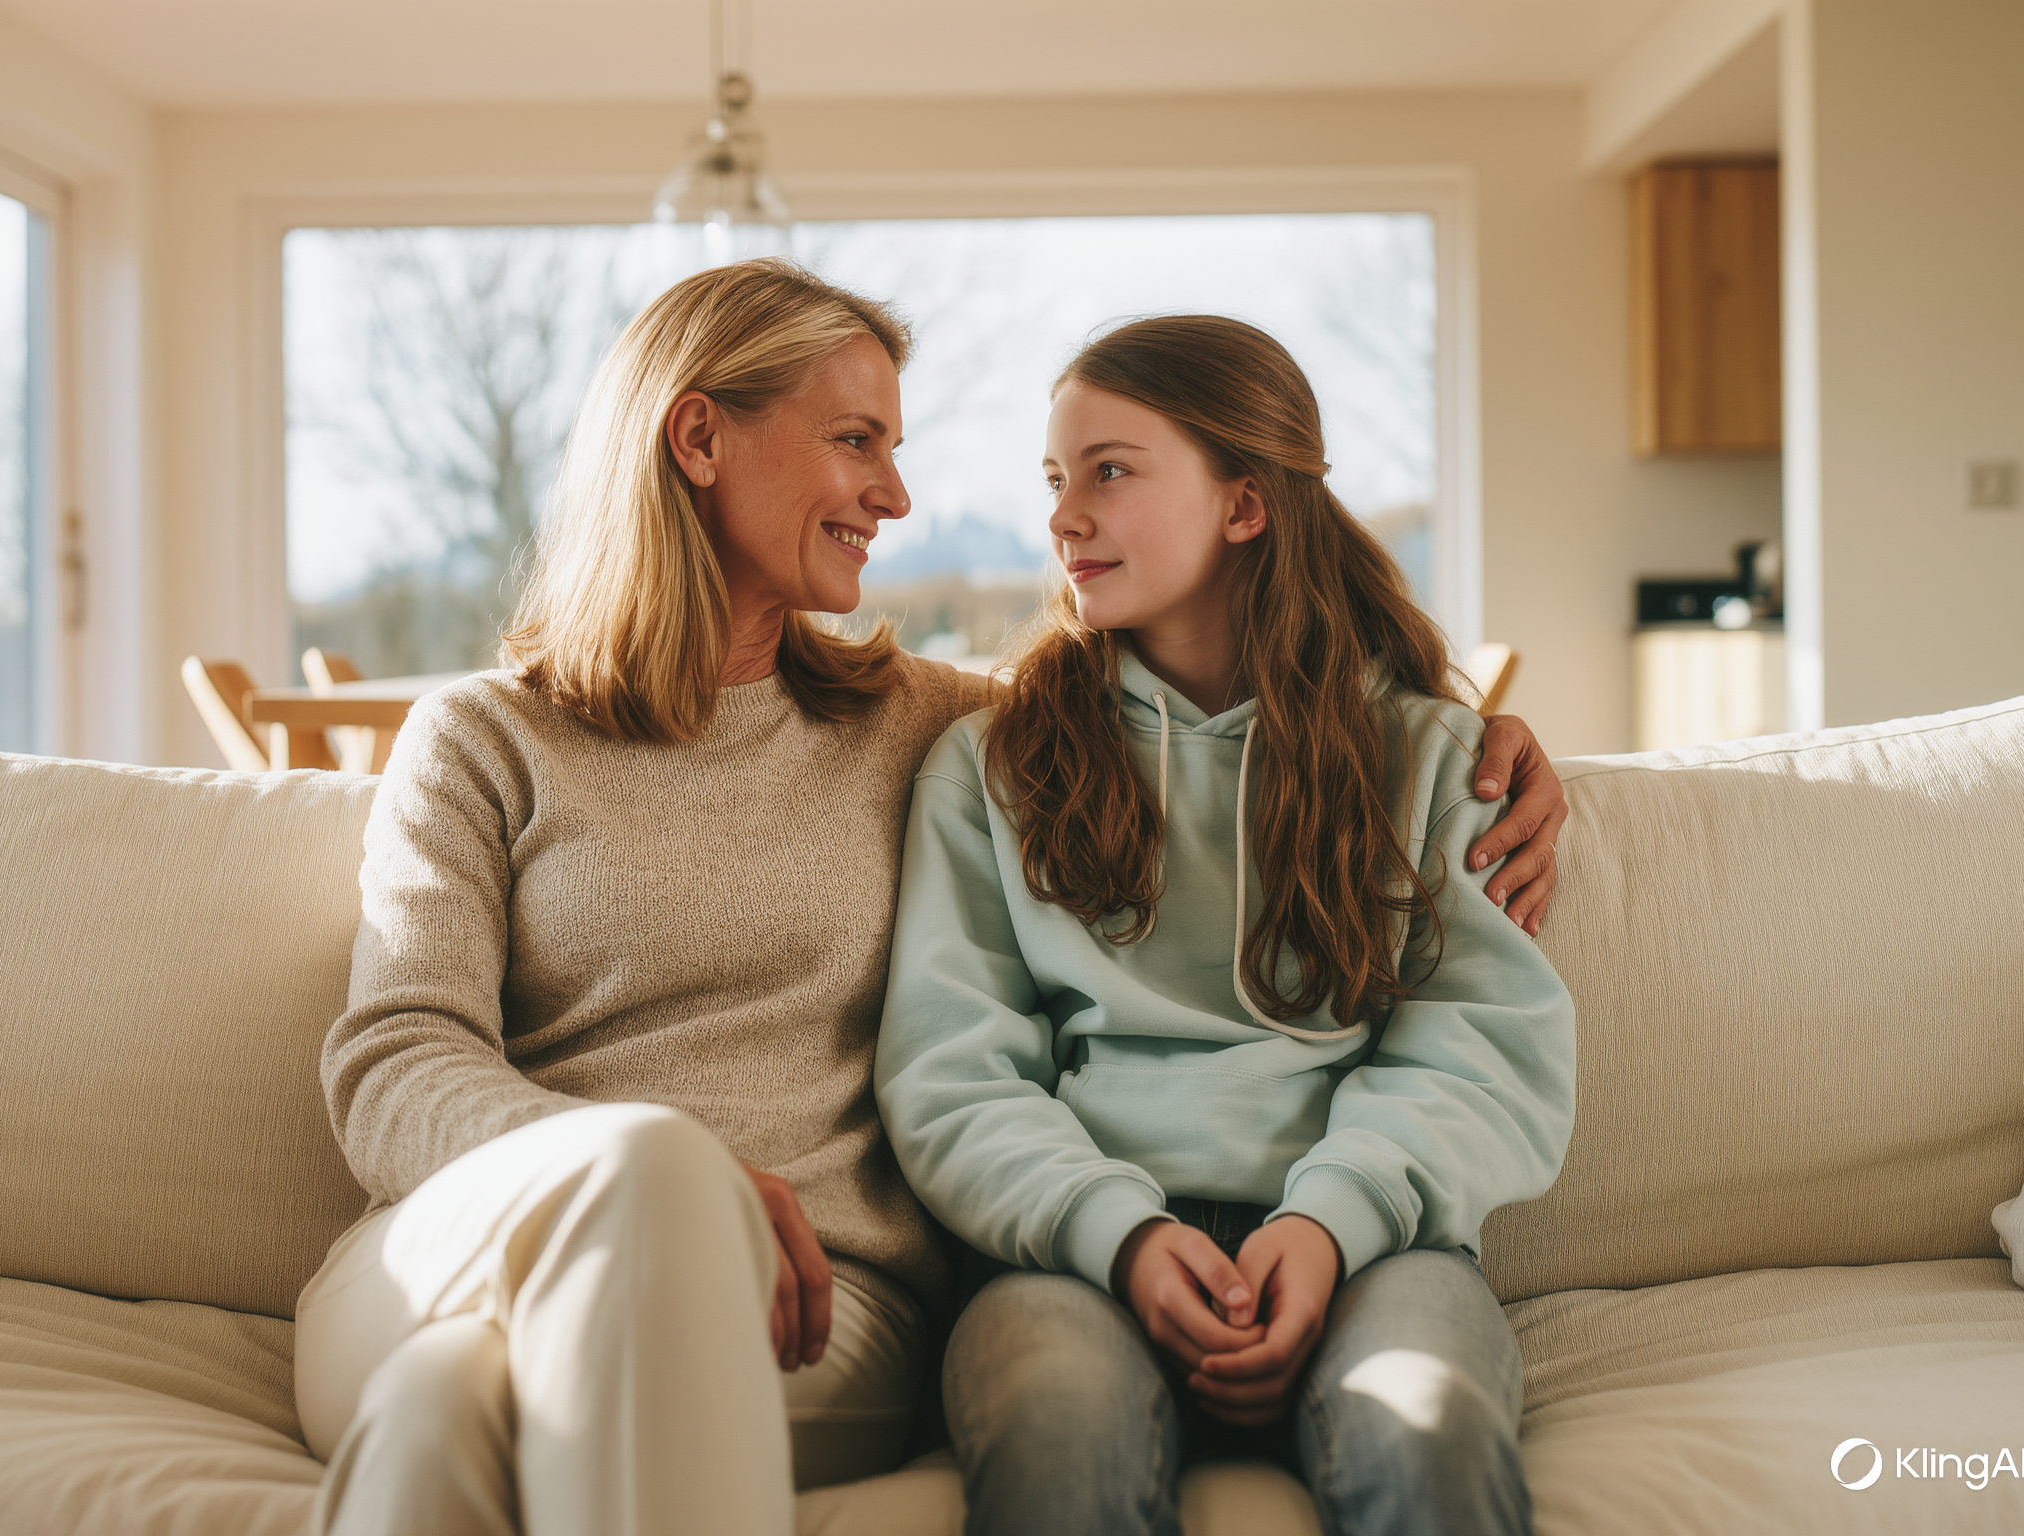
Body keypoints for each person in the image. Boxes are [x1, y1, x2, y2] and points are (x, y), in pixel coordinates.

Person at [293, 262, 1573, 1536]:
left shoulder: (921, 728)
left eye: (893, 449)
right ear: (696, 436)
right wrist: (640, 1176)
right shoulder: (478, 737)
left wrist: (1483, 745)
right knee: (524, 1294)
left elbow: (1196, 717)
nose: (896, 495)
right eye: (856, 441)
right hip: (476, 1248)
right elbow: (396, 1055)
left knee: (442, 1410)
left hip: (800, 1299)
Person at [875, 316, 1577, 1536]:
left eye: (1108, 470)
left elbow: (1482, 1046)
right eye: (1053, 479)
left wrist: (1325, 1223)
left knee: (1429, 1434)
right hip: (1070, 1252)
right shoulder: (990, 766)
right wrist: (1118, 1234)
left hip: (1371, 1244)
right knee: (1056, 1433)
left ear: (1243, 506)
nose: (1061, 518)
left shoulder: (1427, 758)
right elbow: (951, 1067)